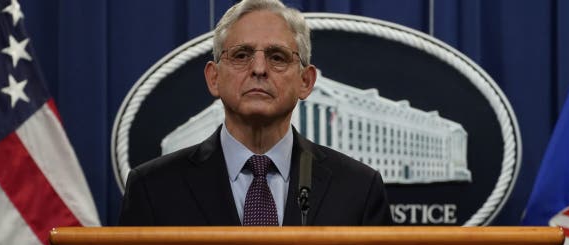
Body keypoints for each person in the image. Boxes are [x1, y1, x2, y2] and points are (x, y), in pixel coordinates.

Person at [119, 0, 392, 226]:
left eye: (277, 57)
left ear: (305, 82)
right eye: (241, 55)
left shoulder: (359, 189)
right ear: (214, 78)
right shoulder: (153, 189)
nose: (259, 69)